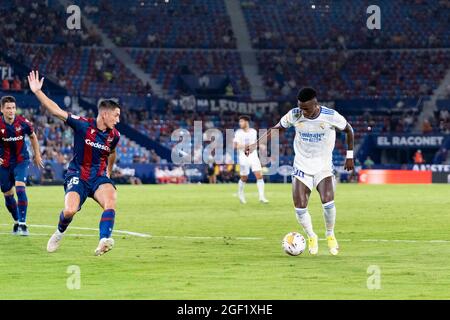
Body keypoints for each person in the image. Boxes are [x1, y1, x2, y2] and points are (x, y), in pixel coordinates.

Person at [247, 88, 354, 255]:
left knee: (327, 203)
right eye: (300, 107)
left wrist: (350, 156)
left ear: (315, 104)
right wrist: (255, 144)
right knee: (300, 208)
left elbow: (349, 130)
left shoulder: (330, 115)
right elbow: (277, 129)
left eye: (306, 108)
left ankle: (330, 234)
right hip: (301, 166)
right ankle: (311, 236)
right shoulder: (295, 114)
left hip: (323, 166)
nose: (302, 111)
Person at [27, 71, 121, 256]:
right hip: (78, 175)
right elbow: (56, 111)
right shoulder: (83, 125)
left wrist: (108, 172)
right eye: (116, 115)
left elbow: (112, 153)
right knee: (70, 211)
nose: (118, 120)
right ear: (104, 114)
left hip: (99, 178)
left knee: (111, 202)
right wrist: (37, 91)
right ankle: (59, 232)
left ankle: (104, 240)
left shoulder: (114, 136)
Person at [0, 96, 43, 235]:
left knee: (20, 188)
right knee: (8, 195)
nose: (11, 111)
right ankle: (17, 221)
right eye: (8, 108)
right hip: (4, 163)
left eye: (13, 107)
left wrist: (37, 154)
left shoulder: (23, 122)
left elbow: (33, 136)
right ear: (2, 110)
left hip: (21, 161)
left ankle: (23, 224)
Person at [233, 115, 268, 204]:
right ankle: (240, 194)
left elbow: (254, 144)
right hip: (243, 156)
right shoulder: (238, 133)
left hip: (253, 155)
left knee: (259, 175)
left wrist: (260, 145)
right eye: (239, 122)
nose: (240, 123)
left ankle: (261, 197)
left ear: (246, 122)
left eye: (241, 121)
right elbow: (235, 146)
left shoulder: (253, 132)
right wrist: (247, 146)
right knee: (244, 177)